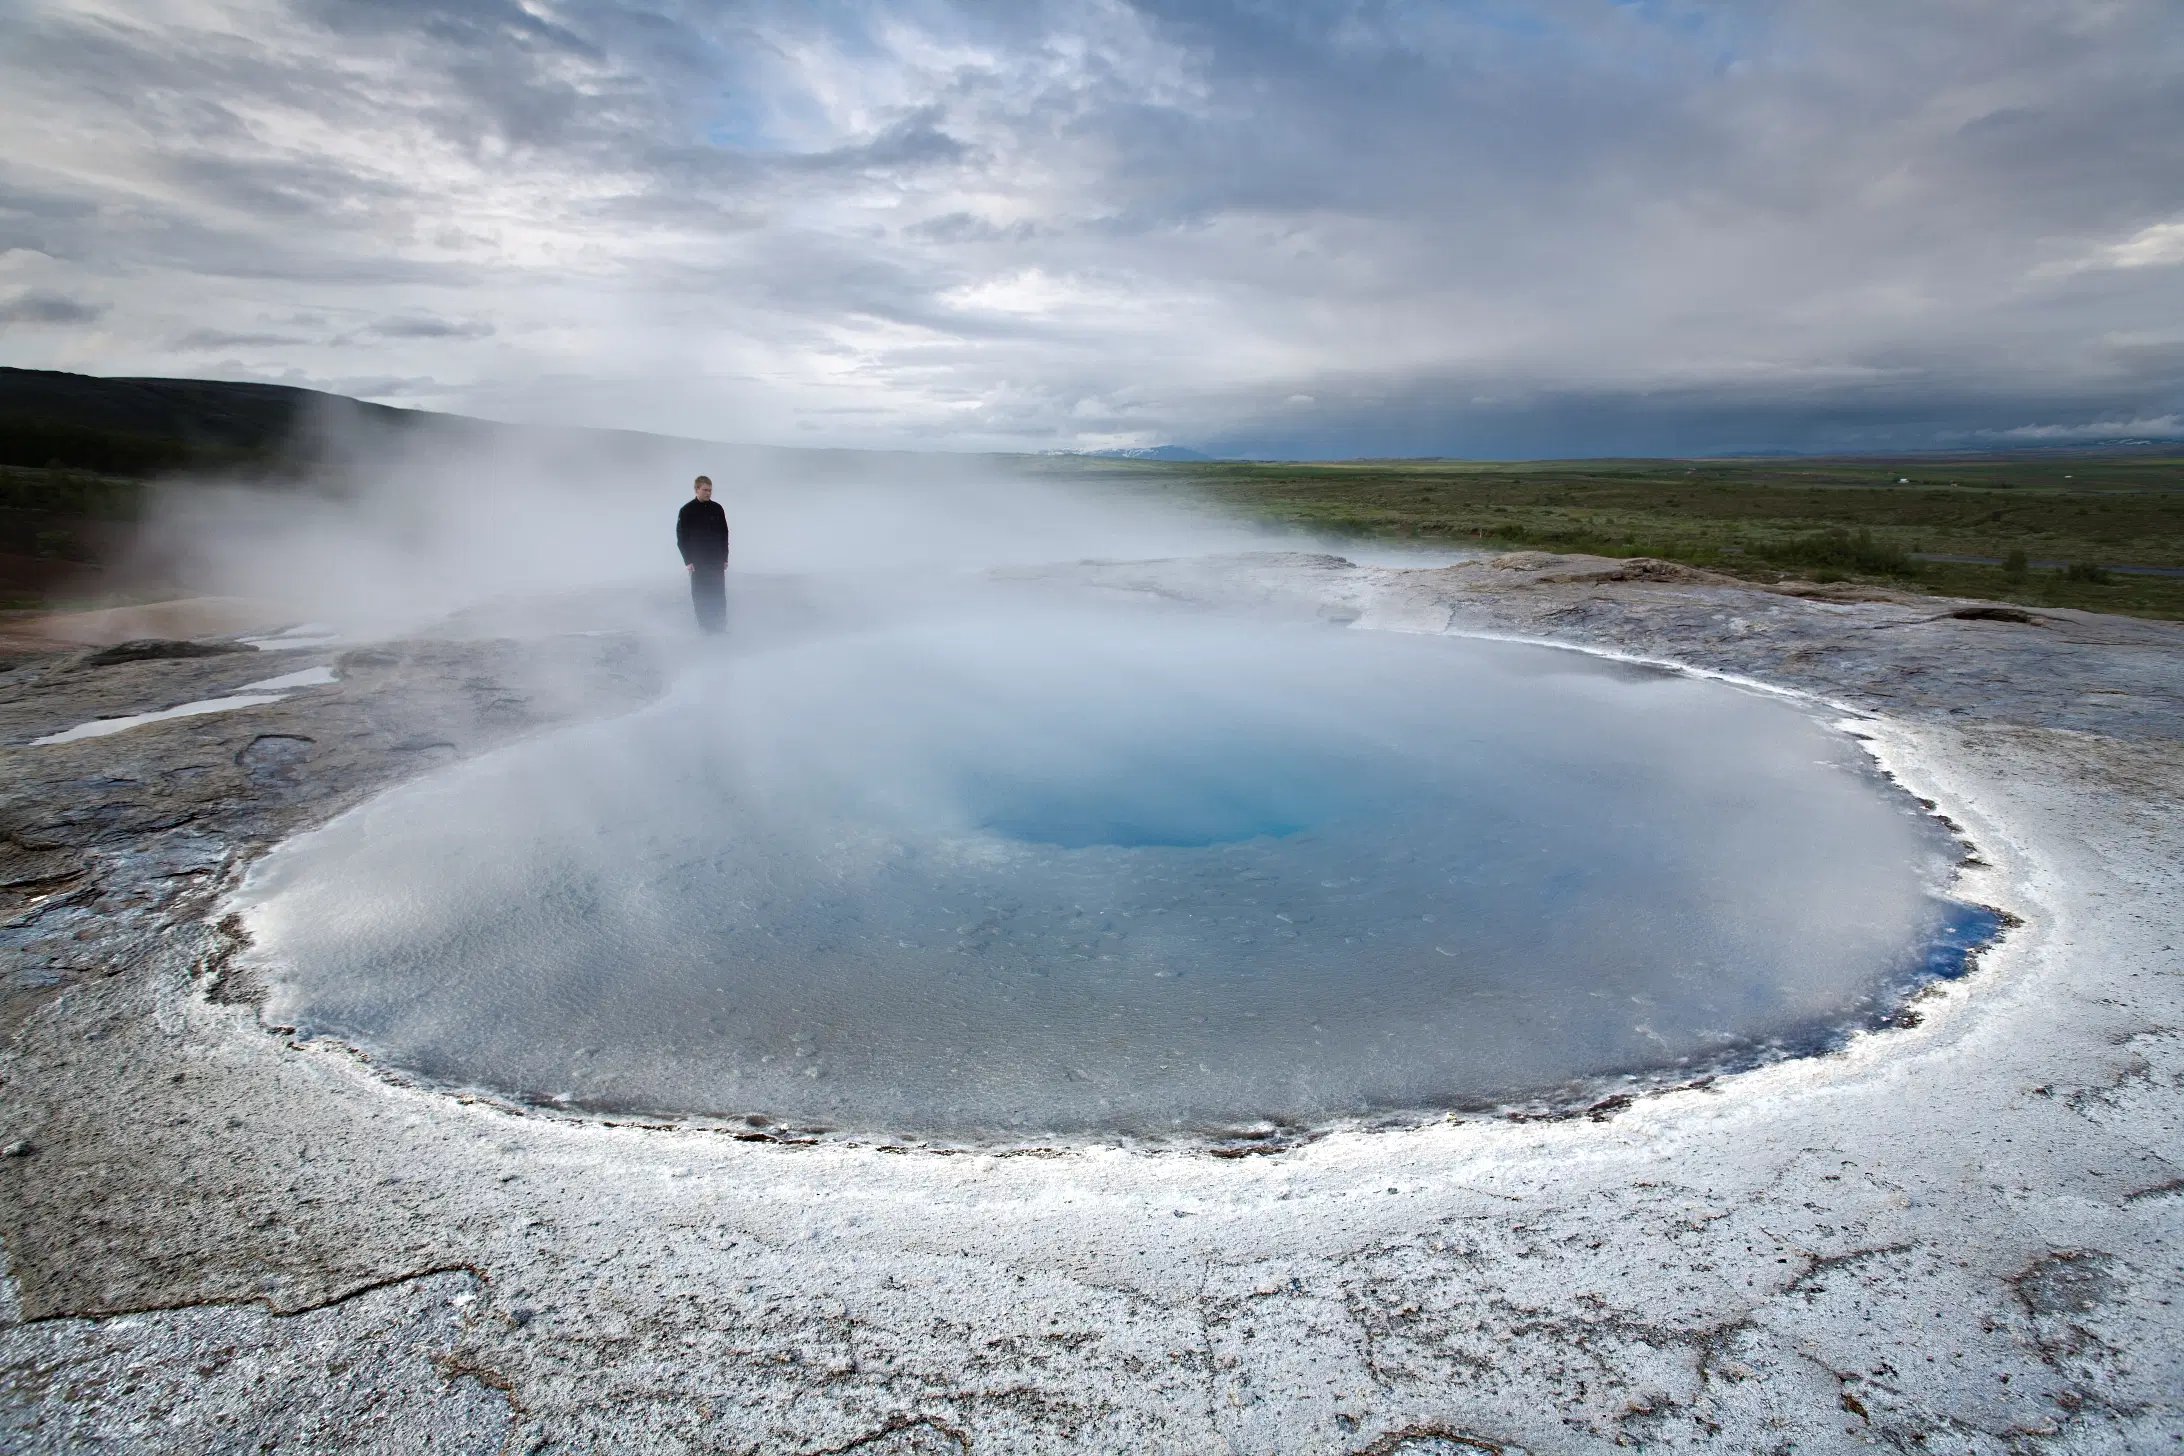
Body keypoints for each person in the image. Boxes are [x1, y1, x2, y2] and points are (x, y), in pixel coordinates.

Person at [675, 475, 731, 634]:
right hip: (698, 561)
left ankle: (720, 626)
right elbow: (681, 538)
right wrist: (688, 560)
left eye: (710, 490)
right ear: (697, 489)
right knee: (700, 595)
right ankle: (705, 628)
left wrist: (725, 557)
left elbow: (724, 533)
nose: (708, 493)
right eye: (705, 490)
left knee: (719, 593)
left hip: (716, 559)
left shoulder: (717, 508)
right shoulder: (686, 510)